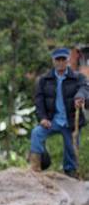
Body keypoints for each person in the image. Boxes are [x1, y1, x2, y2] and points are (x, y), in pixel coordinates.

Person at [29, 47, 88, 177]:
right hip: (52, 120)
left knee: (71, 150)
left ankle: (70, 173)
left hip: (70, 121)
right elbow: (39, 101)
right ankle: (35, 169)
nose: (60, 62)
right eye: (58, 60)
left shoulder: (78, 77)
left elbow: (85, 88)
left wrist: (80, 96)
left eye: (63, 59)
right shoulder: (44, 80)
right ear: (53, 61)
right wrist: (43, 118)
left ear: (68, 61)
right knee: (36, 133)